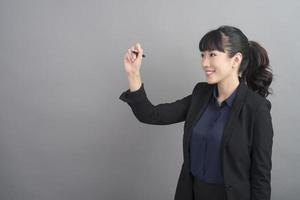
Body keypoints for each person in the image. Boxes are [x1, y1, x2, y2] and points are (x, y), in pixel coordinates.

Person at [119, 25, 274, 200]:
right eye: (203, 55)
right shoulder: (201, 94)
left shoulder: (256, 108)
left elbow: (261, 177)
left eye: (212, 54)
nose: (204, 63)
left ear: (236, 59)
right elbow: (150, 114)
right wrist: (133, 74)